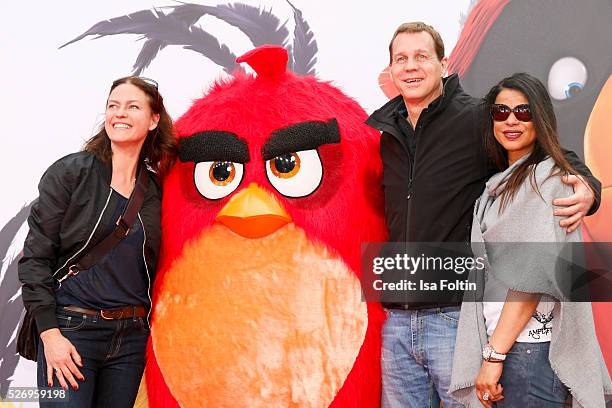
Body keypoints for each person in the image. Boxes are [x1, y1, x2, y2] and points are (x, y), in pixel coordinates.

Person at [365, 22, 601, 407]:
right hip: (398, 323)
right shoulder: (383, 131)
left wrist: (587, 185)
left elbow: (541, 148)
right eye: (401, 59)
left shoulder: (477, 118)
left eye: (421, 57)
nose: (411, 67)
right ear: (390, 70)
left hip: (455, 319)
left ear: (443, 64)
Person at [449, 73, 612, 407]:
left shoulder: (548, 179)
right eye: (501, 112)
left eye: (524, 113)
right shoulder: (497, 185)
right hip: (507, 347)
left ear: (540, 119)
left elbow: (530, 279)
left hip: (528, 352)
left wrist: (494, 357)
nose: (511, 121)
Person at [18, 76, 176, 407]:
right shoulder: (70, 174)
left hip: (131, 338)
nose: (120, 113)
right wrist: (50, 334)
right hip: (72, 331)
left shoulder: (157, 192)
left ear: (153, 119)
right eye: (113, 106)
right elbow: (35, 259)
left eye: (133, 106)